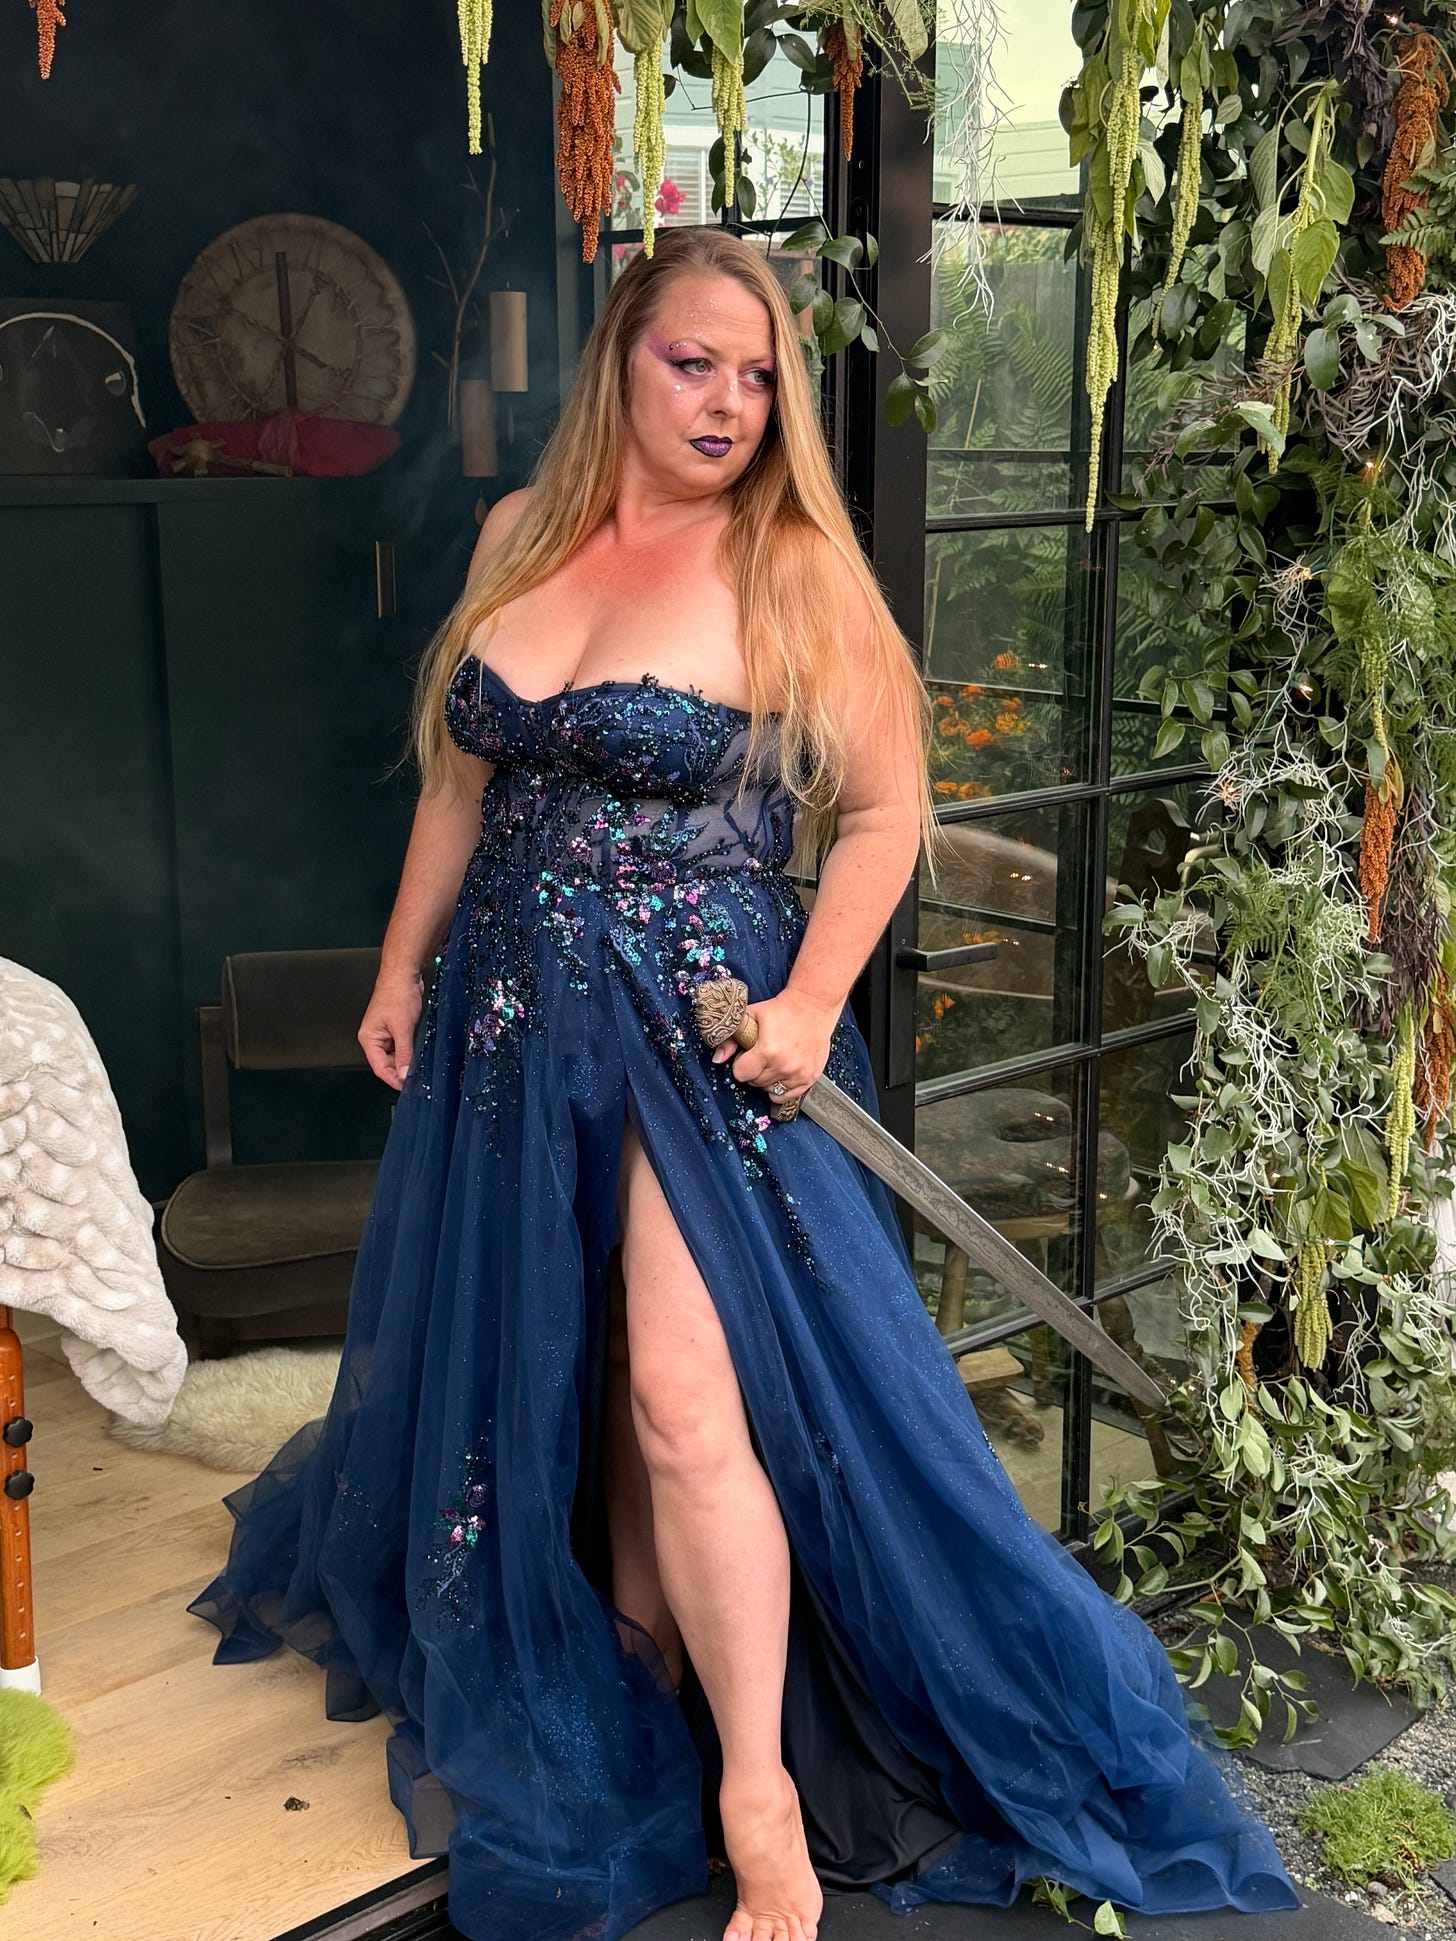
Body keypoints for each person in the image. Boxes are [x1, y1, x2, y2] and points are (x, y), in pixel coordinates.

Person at [188, 225, 1299, 1941]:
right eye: (692, 362)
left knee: (683, 1399)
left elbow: (886, 814)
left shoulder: (792, 567)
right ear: (619, 365)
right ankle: (645, 1657)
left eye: (759, 375)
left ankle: (759, 1793)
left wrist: (810, 1000)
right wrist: (401, 966)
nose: (726, 401)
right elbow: (463, 789)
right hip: (510, 1016)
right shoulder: (519, 532)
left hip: (696, 1028)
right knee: (561, 1365)